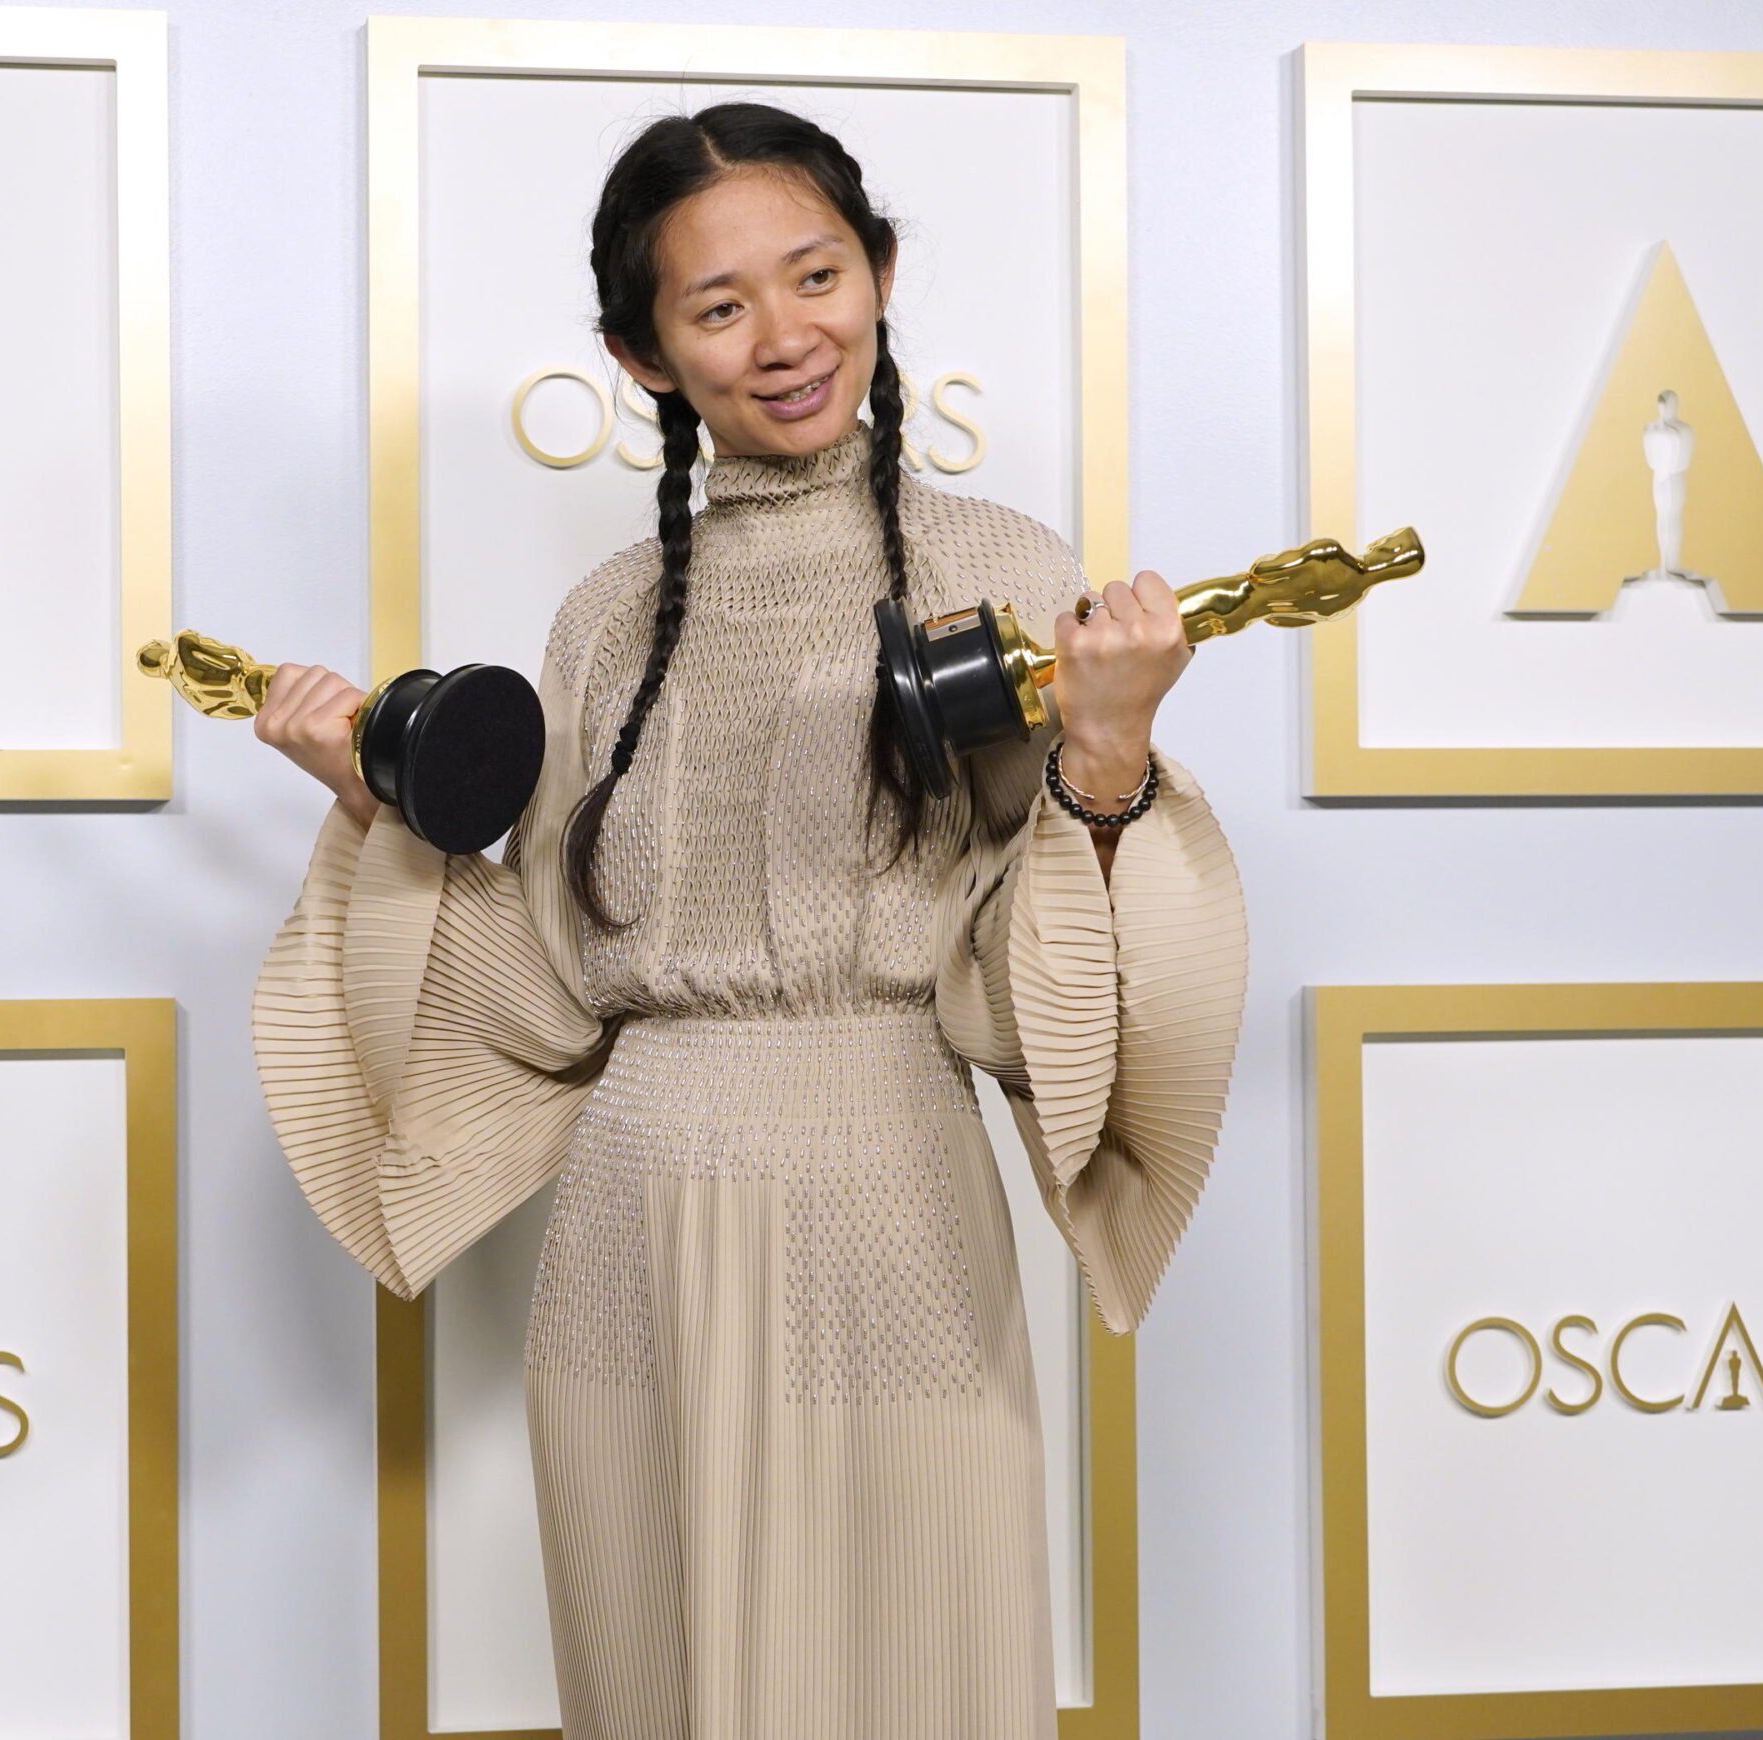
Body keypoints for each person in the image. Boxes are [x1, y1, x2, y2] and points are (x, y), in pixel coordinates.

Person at [251, 101, 1248, 1740]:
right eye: (720, 307)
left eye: (818, 276)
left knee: (912, 1656)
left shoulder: (1001, 572)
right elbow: (547, 985)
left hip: (893, 1196)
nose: (786, 337)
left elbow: (1045, 950)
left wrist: (1113, 748)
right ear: (641, 355)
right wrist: (371, 798)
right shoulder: (602, 623)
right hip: (635, 1232)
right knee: (658, 1666)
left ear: (882, 272)